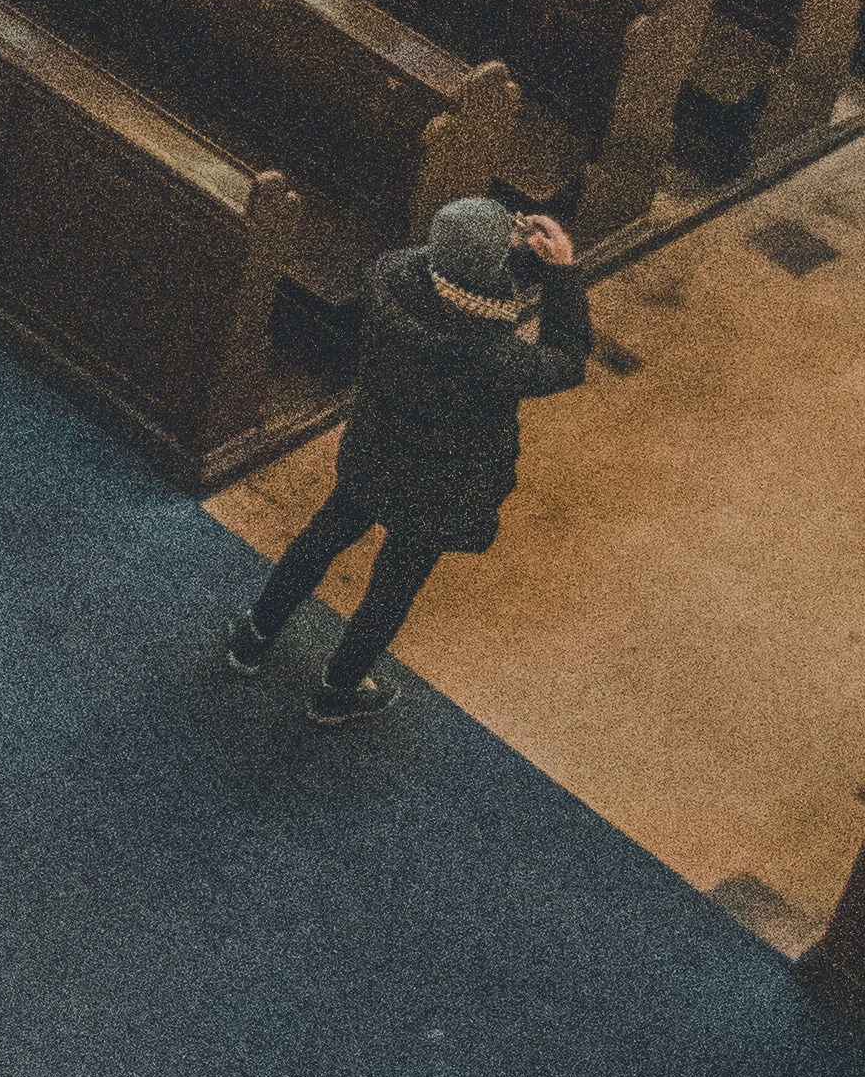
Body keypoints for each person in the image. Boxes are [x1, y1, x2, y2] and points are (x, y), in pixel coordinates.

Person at [224, 193, 591, 725]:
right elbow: (567, 359)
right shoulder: (493, 355)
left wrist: (511, 257)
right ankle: (338, 689)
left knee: (324, 535)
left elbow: (461, 277)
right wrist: (562, 273)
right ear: (489, 275)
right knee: (394, 584)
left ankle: (254, 637)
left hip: (377, 446)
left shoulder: (391, 277)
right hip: (441, 484)